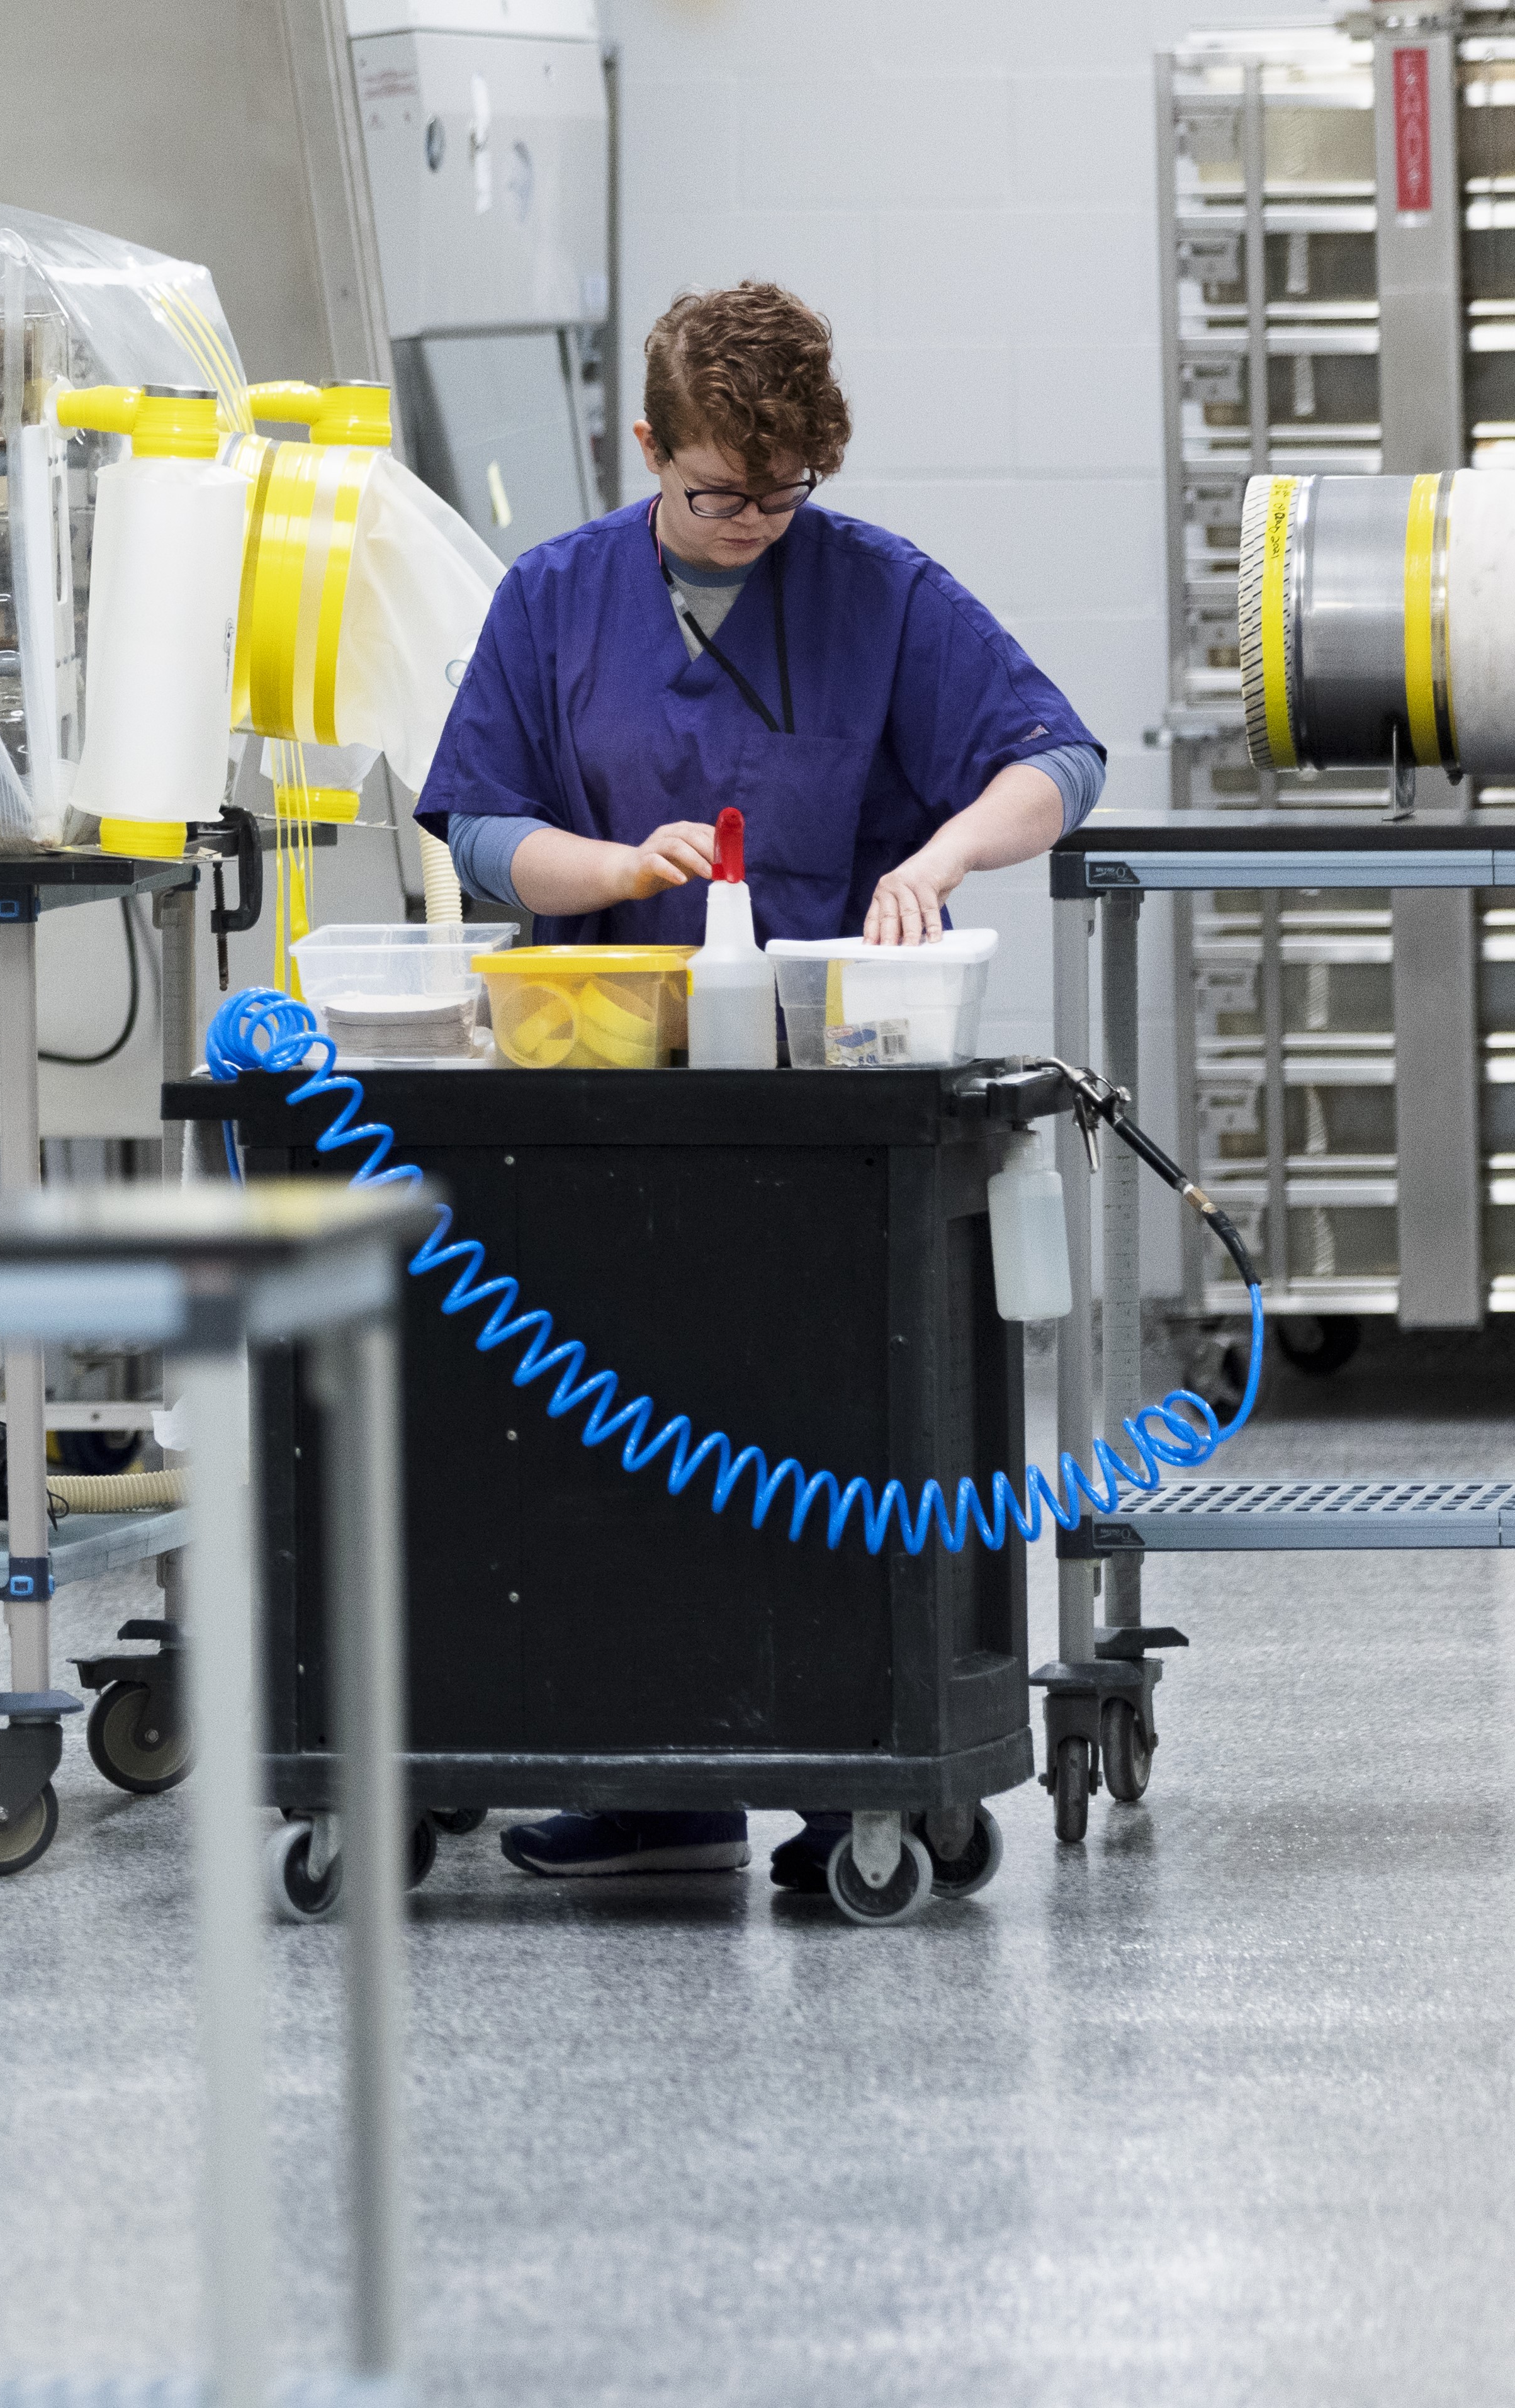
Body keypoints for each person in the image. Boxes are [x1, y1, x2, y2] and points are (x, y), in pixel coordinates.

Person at [410, 280, 1103, 1885]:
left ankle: (847, 1780)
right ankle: (657, 1780)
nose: (749, 524)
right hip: (609, 1081)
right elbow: (473, 821)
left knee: (824, 1425)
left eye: (782, 497)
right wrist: (598, 867)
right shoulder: (553, 599)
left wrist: (938, 850)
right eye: (716, 491)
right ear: (643, 444)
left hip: (828, 1103)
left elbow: (1051, 759)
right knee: (622, 1433)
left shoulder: (874, 593)